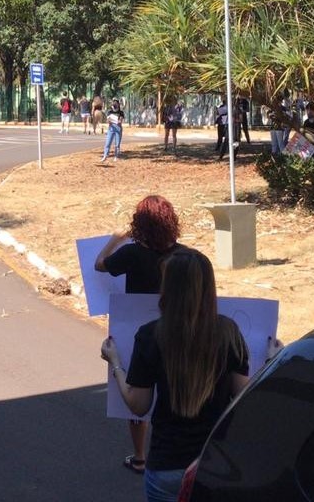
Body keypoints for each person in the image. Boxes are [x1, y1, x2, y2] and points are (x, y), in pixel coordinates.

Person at [100, 248, 250, 502]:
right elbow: (245, 395)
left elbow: (139, 405)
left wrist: (115, 363)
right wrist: (271, 360)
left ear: (169, 289)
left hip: (167, 463)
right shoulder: (228, 331)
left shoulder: (151, 335)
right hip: (215, 464)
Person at [95, 195, 184, 475]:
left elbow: (100, 264)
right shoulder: (183, 255)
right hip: (176, 327)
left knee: (138, 388)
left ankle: (140, 456)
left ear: (139, 225)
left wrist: (115, 238)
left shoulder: (131, 253)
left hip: (137, 331)